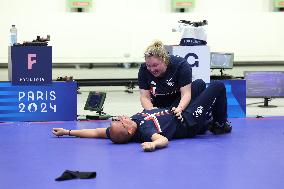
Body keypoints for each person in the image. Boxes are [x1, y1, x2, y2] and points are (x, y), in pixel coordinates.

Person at [53, 81, 232, 152]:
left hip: (175, 110)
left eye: (115, 120)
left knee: (198, 85)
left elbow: (96, 132)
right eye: (120, 122)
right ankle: (219, 124)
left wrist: (68, 132)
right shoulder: (146, 130)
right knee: (217, 86)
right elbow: (163, 140)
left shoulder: (131, 124)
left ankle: (207, 121)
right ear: (130, 130)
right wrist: (153, 144)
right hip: (188, 120)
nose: (119, 118)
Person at [138, 40, 196, 116]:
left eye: (155, 65)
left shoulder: (181, 65)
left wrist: (179, 109)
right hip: (158, 101)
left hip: (177, 100)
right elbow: (145, 97)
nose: (152, 69)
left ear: (164, 61)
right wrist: (152, 113)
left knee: (199, 84)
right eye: (148, 66)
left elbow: (186, 94)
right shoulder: (143, 69)